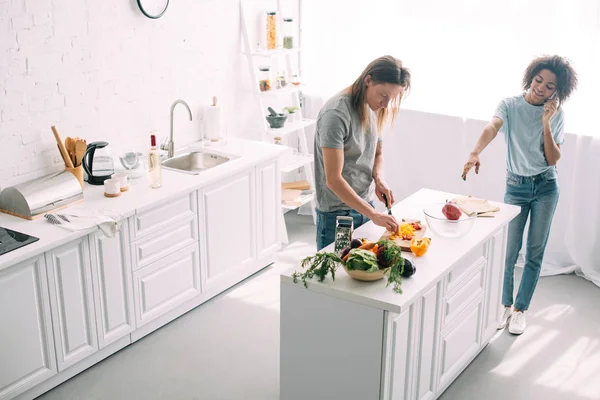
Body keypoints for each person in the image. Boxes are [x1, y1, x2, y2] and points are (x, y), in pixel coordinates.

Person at [462, 55, 578, 335]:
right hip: (516, 186)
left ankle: (520, 309)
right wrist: (475, 152)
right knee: (509, 251)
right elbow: (493, 126)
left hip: (546, 187)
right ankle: (504, 304)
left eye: (550, 86)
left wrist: (547, 123)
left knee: (534, 252)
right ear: (530, 78)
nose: (541, 88)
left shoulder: (557, 115)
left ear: (557, 91)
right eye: (539, 81)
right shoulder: (510, 104)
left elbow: (552, 159)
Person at [313, 55, 411, 251]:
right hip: (337, 216)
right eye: (383, 95)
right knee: (335, 275)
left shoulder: (373, 107)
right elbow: (333, 180)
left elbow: (377, 153)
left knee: (364, 270)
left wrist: (379, 178)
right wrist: (375, 215)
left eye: (391, 99)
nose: (385, 104)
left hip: (366, 206)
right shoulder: (336, 114)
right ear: (368, 81)